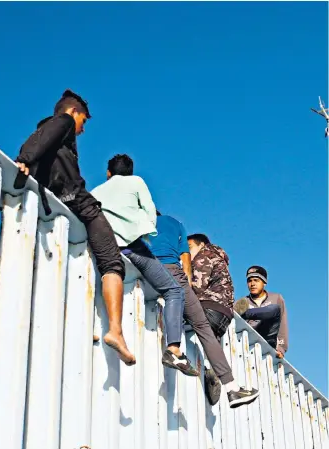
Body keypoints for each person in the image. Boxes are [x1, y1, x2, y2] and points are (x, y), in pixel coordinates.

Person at [14, 89, 135, 365]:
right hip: (79, 203)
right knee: (112, 262)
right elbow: (41, 140)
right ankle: (115, 330)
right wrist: (24, 159)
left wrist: (27, 164)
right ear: (74, 113)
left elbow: (40, 144)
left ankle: (93, 321)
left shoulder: (51, 135)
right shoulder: (63, 122)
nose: (81, 130)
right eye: (84, 122)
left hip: (60, 205)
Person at [91, 154, 199, 377]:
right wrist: (145, 232)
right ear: (130, 172)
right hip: (131, 247)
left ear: (108, 173)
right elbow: (150, 213)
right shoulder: (136, 182)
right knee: (173, 291)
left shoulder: (97, 191)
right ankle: (174, 349)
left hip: (105, 245)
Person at [149, 218, 259, 408]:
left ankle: (212, 372)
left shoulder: (205, 256)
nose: (187, 252)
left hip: (208, 309)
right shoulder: (221, 262)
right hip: (223, 317)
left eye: (189, 247)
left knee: (188, 313)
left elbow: (194, 287)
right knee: (208, 338)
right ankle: (221, 378)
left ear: (201, 245)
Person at [234, 266, 289, 359]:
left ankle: (246, 313)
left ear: (264, 282)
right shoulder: (242, 302)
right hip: (250, 337)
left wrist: (281, 349)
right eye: (249, 281)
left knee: (274, 309)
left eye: (256, 280)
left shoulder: (276, 298)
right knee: (235, 313)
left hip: (268, 337)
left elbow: (283, 324)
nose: (252, 284)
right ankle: (239, 314)